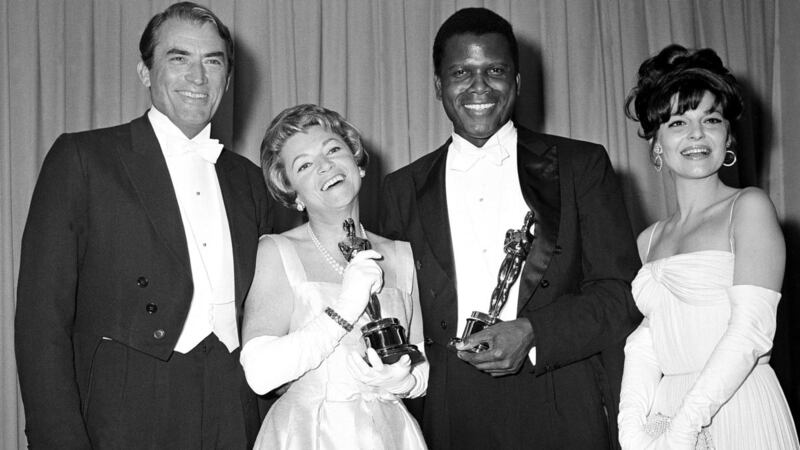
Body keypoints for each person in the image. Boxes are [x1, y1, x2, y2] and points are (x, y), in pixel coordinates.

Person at [380, 7, 642, 449]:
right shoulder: (400, 189)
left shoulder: (581, 165)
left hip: (561, 399)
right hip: (447, 412)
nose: (479, 86)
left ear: (517, 81)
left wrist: (533, 331)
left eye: (495, 70)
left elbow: (620, 293)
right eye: (461, 72)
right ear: (438, 85)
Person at [15, 2, 273, 448]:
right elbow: (41, 320)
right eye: (179, 58)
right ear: (145, 72)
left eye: (213, 62)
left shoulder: (250, 180)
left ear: (228, 80)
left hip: (235, 410)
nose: (198, 77)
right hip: (124, 413)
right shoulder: (84, 159)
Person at [617, 44, 799, 449]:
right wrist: (631, 428)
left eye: (711, 119)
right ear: (656, 144)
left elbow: (750, 331)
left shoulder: (748, 207)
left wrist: (685, 428)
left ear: (727, 136)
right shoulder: (649, 239)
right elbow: (647, 343)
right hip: (667, 413)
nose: (697, 133)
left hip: (736, 406)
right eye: (678, 122)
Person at [240, 104, 429, 449]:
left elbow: (421, 363)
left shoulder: (401, 254)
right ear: (292, 193)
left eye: (333, 150)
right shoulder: (276, 251)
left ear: (357, 162)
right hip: (306, 435)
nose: (325, 166)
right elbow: (260, 374)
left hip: (392, 436)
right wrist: (345, 307)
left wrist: (402, 381)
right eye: (305, 165)